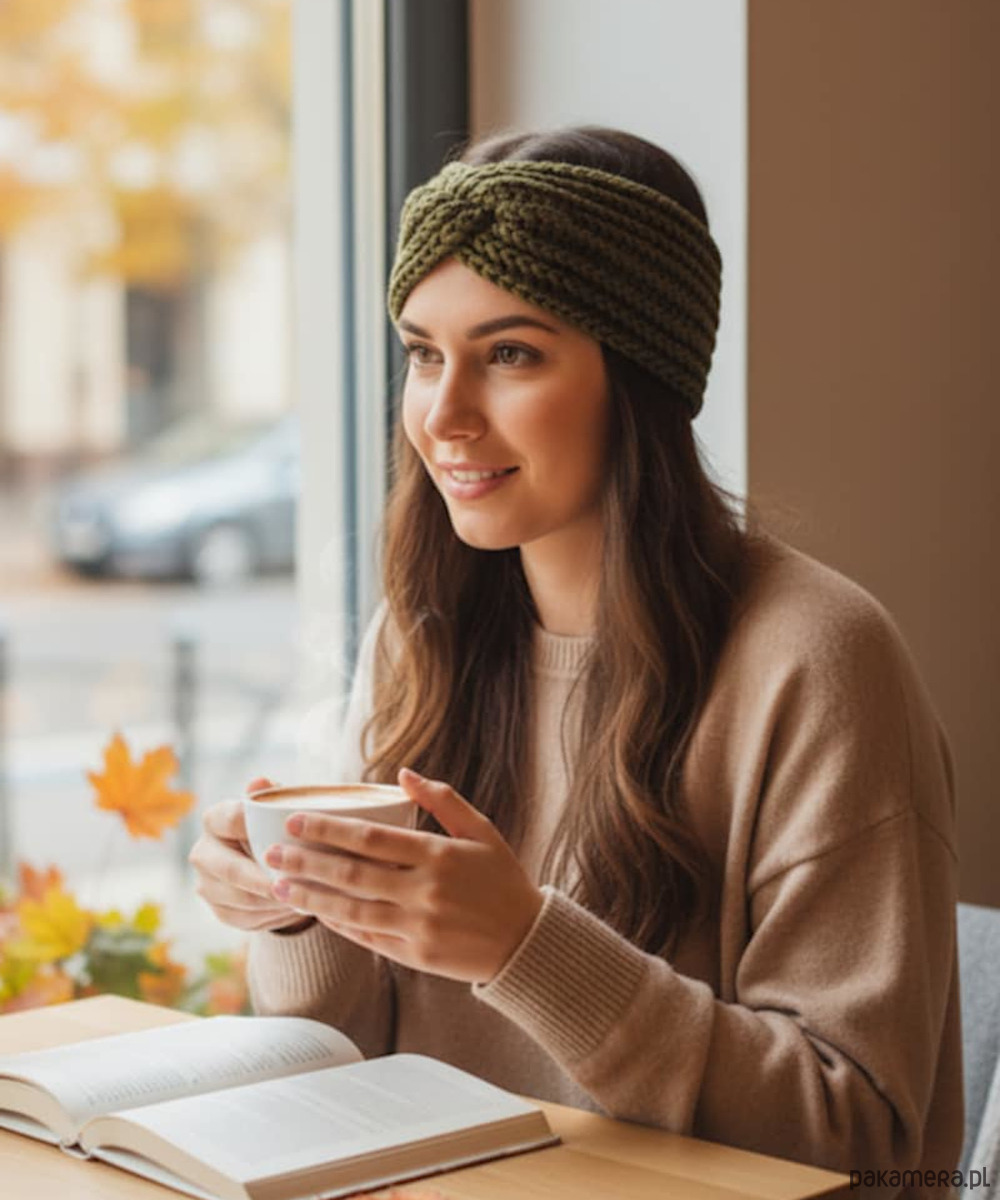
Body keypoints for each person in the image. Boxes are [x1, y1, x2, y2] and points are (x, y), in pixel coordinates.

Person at [189, 126, 962, 1197]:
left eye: (510, 353)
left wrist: (525, 945)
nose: (443, 415)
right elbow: (344, 1067)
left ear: (639, 378)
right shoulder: (420, 632)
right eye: (422, 354)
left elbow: (869, 1142)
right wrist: (301, 905)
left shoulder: (817, 663)